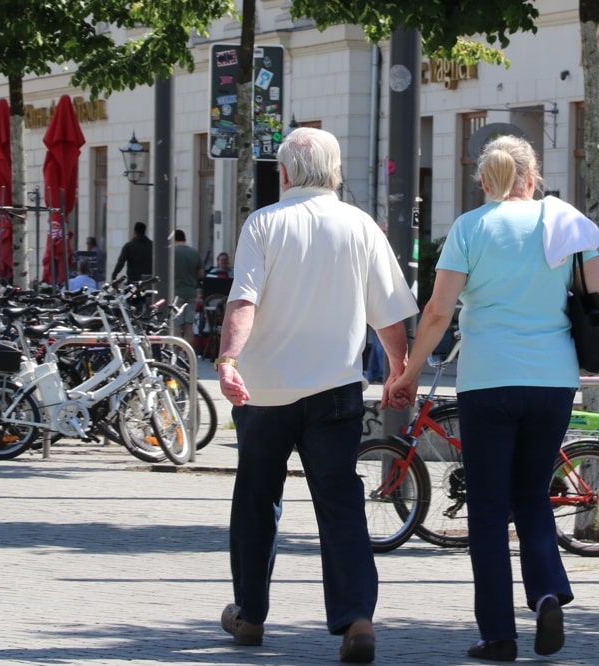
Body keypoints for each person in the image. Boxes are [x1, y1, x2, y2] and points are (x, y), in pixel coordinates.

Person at [387, 135, 599, 663]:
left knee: (489, 509)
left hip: (488, 380)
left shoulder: (471, 227)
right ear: (532, 177)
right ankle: (546, 593)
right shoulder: (564, 224)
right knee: (533, 493)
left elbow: (439, 313)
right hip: (553, 380)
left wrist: (410, 370)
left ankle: (498, 636)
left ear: (485, 180)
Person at [215, 127, 418, 663]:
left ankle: (251, 614)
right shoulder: (360, 226)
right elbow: (390, 314)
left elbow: (243, 302)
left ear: (282, 173)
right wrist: (399, 370)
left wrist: (229, 360)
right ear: (336, 172)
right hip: (335, 389)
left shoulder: (263, 223)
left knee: (257, 498)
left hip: (264, 391)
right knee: (340, 501)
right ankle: (357, 619)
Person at [173, 229, 204, 345]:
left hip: (176, 293)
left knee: (176, 324)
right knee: (189, 325)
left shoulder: (172, 252)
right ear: (184, 238)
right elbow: (201, 273)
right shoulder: (194, 253)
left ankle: (176, 354)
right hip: (191, 292)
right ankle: (188, 355)